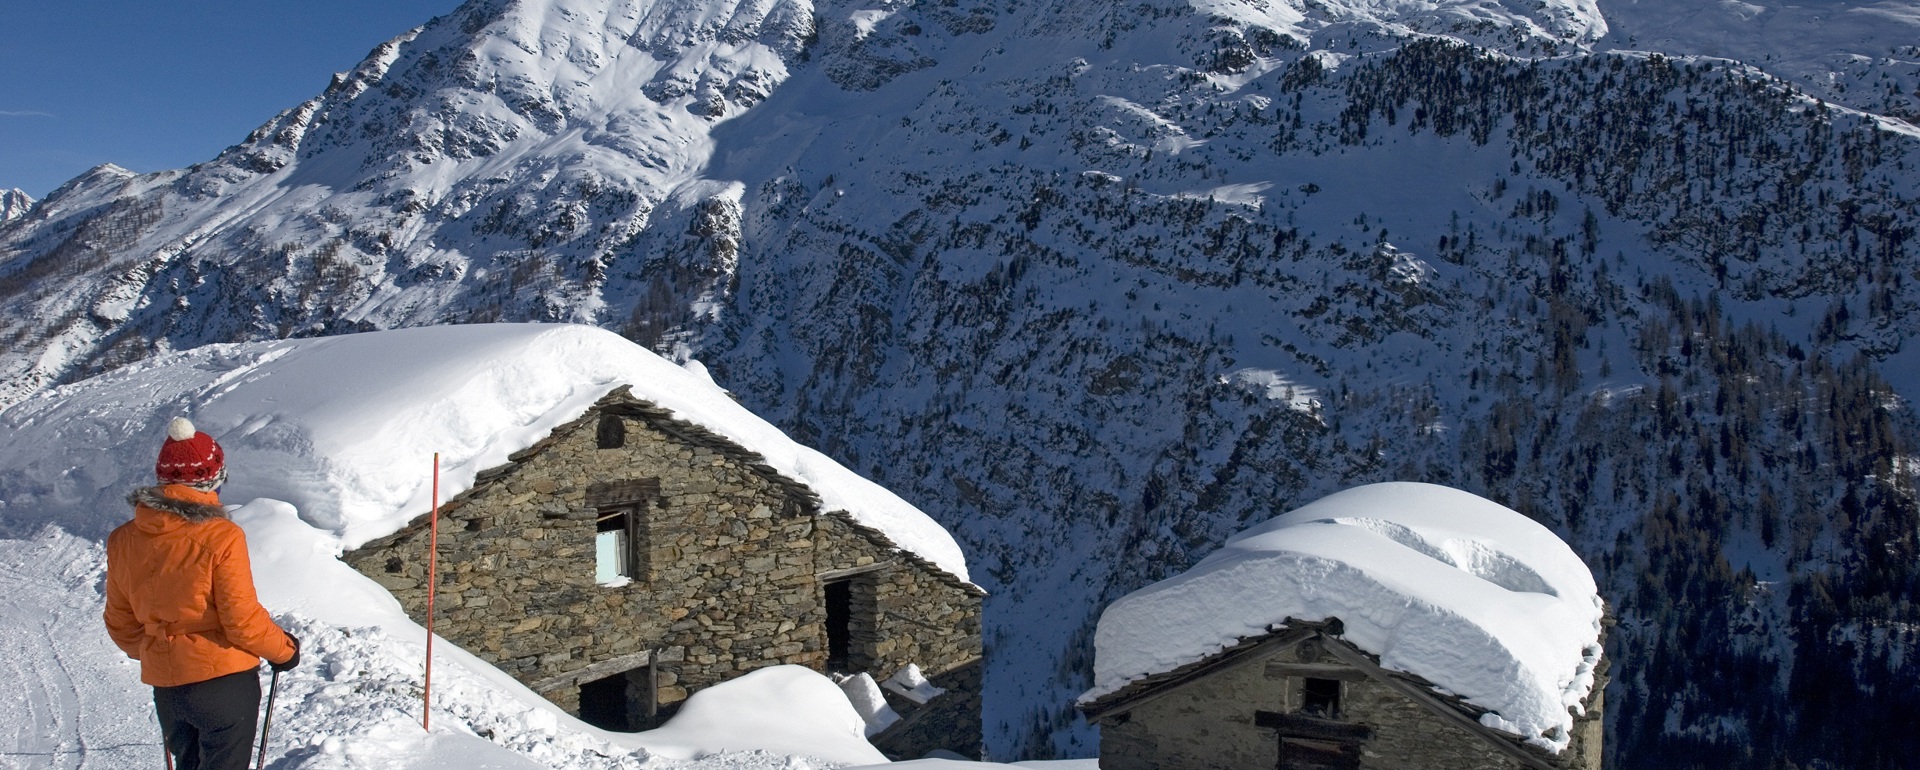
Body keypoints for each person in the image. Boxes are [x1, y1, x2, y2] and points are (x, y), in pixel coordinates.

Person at [103, 417, 300, 770]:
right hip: (224, 683)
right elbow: (241, 620)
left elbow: (120, 622)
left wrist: (163, 652)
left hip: (167, 688)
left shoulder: (123, 539)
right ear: (213, 479)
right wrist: (284, 651)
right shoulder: (221, 536)